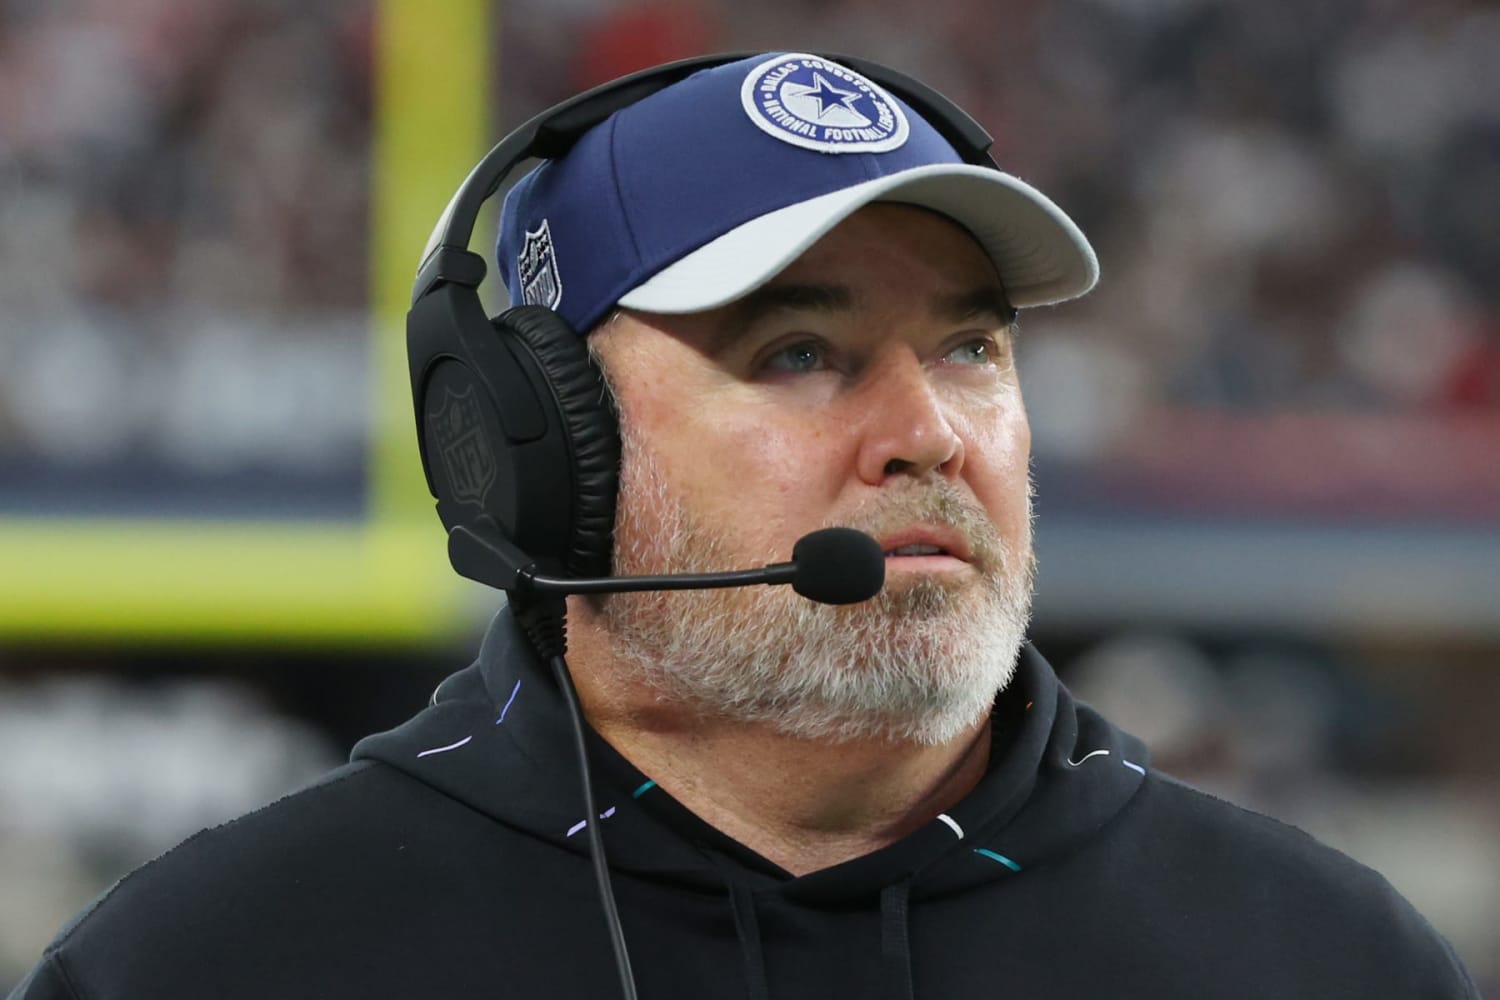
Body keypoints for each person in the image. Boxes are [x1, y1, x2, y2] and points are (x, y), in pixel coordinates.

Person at [10, 51, 1478, 1000]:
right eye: (800, 354)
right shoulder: (218, 966)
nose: (933, 433)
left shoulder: (1326, 962)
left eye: (972, 348)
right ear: (539, 448)